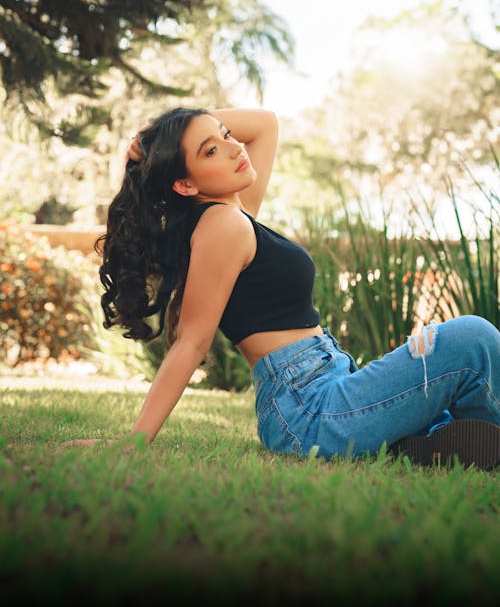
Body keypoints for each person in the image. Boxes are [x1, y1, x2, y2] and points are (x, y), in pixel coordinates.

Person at [73, 107, 500, 469]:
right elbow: (190, 341)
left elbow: (264, 124)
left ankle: (430, 440)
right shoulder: (221, 226)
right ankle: (439, 435)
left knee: (454, 402)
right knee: (471, 337)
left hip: (327, 385)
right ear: (185, 184)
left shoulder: (236, 212)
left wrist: (157, 135)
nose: (235, 146)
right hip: (308, 408)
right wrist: (135, 442)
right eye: (211, 150)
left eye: (224, 136)